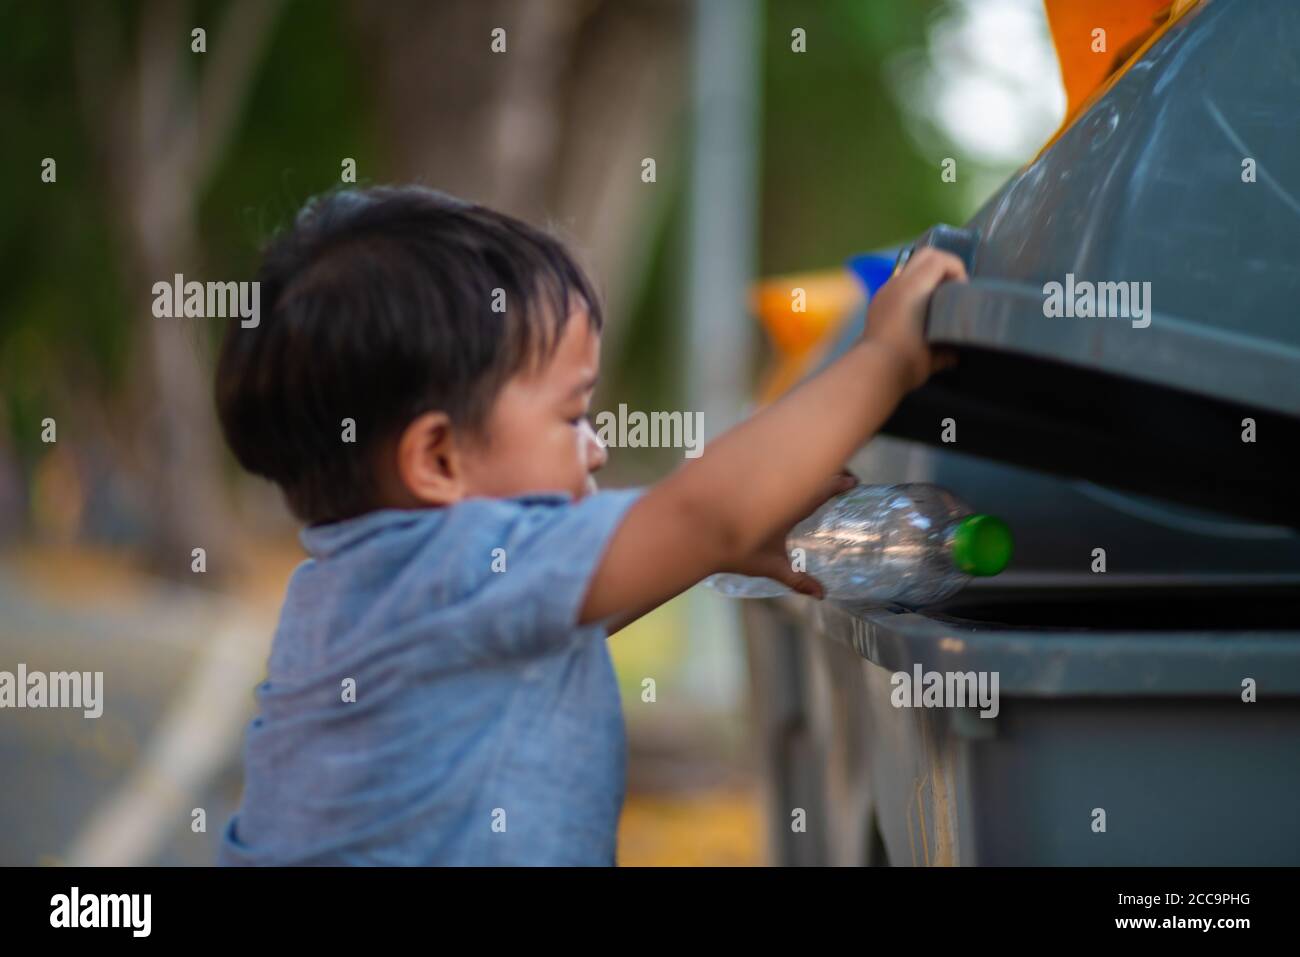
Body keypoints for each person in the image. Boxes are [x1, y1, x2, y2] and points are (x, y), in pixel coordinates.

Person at [213, 185, 965, 865]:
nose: (597, 446)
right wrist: (887, 357)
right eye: (572, 415)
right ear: (438, 457)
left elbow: (576, 607)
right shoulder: (455, 559)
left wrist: (702, 554)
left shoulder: (356, 588)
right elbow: (705, 508)